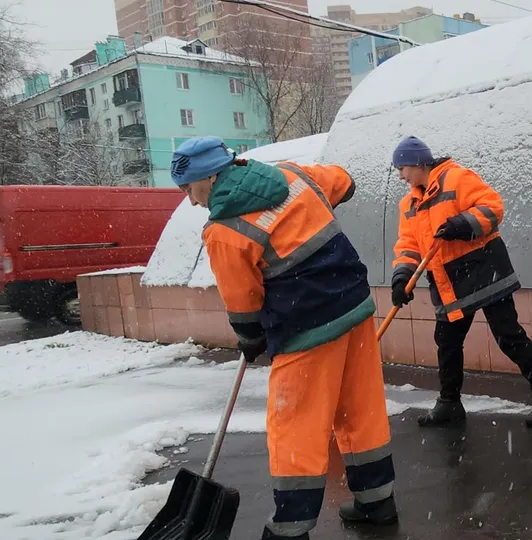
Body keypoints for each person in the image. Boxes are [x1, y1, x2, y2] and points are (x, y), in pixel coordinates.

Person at [170, 136, 397, 540]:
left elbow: (243, 300)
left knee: (296, 426)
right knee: (360, 408)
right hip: (354, 307)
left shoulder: (225, 230)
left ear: (210, 176)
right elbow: (344, 182)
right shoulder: (293, 175)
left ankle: (291, 527)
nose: (190, 200)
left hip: (304, 328)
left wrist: (250, 337)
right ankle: (377, 501)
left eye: (189, 188)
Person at [390, 136, 532, 428]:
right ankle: (449, 403)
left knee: (508, 335)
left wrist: (461, 224)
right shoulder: (409, 204)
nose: (400, 176)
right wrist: (401, 277)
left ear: (416, 162)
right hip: (448, 282)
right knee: (447, 342)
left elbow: (492, 207)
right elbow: (408, 245)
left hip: (485, 271)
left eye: (401, 168)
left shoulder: (457, 177)